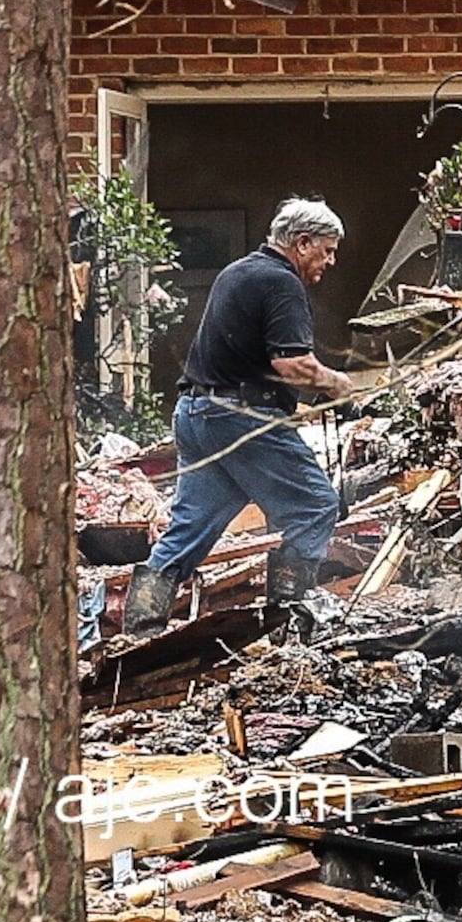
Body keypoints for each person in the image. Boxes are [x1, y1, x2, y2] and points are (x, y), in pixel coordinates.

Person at [129, 199, 355, 632]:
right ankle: (288, 626)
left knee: (189, 528)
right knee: (315, 507)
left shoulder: (238, 272)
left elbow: (246, 358)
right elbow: (293, 364)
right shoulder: (281, 283)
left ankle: (139, 629)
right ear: (302, 243)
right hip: (240, 419)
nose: (331, 260)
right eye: (326, 250)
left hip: (197, 414)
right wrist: (337, 384)